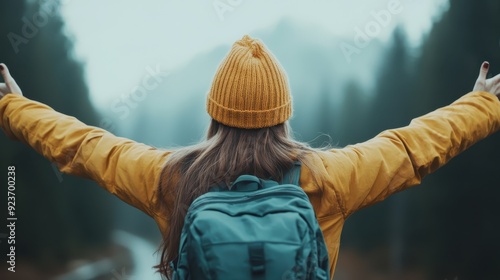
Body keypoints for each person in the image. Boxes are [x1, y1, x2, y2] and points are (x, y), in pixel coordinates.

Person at [0, 35, 499, 279]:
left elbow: (84, 147)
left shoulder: (171, 178)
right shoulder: (331, 177)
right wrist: (481, 105)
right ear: (283, 115)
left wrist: (13, 108)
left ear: (215, 113)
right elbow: (413, 148)